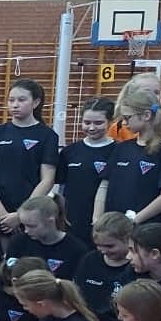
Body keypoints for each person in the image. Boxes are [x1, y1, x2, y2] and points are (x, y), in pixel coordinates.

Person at [94, 83, 161, 228]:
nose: (124, 123)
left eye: (127, 117)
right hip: (114, 228)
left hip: (144, 229)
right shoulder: (122, 148)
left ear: (146, 115)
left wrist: (133, 220)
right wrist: (97, 219)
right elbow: (104, 185)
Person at [0, 78, 58, 234]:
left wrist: (21, 214)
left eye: (21, 100)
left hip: (30, 212)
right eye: (11, 100)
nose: (15, 105)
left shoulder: (48, 136)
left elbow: (47, 179)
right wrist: (1, 213)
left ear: (36, 102)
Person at [56, 98, 116, 244]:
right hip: (73, 220)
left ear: (110, 121)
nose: (92, 128)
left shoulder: (118, 151)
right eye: (87, 122)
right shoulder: (70, 151)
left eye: (98, 123)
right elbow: (61, 187)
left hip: (105, 220)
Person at [5, 196, 88, 281]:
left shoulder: (76, 249)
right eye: (23, 225)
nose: (26, 231)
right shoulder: (18, 241)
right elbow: (8, 275)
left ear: (51, 221)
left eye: (32, 226)